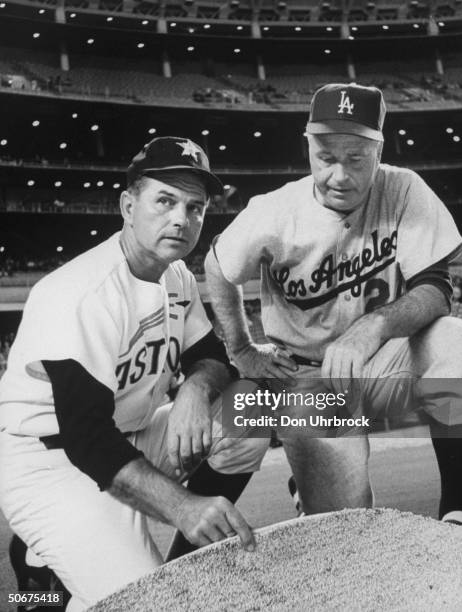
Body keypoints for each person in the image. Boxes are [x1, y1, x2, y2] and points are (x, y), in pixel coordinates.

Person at [0, 137, 268, 611]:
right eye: (164, 200)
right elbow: (87, 440)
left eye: (195, 207)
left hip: (129, 436)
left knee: (252, 410)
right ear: (128, 205)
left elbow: (214, 360)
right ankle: (42, 580)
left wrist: (194, 392)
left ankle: (189, 568)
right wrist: (184, 507)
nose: (181, 219)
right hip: (49, 463)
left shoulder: (176, 274)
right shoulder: (80, 293)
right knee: (146, 602)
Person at [205, 83, 462, 528]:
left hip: (380, 366)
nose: (340, 176)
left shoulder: (404, 189)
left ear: (379, 149)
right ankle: (308, 484)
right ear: (308, 146)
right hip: (305, 378)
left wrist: (374, 326)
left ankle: (459, 512)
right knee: (346, 528)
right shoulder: (274, 211)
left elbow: (436, 288)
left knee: (453, 337)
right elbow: (217, 266)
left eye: (356, 158)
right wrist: (242, 349)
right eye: (326, 157)